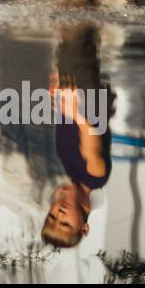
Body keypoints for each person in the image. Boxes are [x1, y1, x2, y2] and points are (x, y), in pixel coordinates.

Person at [40, 22, 114, 248]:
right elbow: (90, 132)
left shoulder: (70, 170)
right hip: (85, 95)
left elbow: (66, 125)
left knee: (71, 32)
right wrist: (75, 108)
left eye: (52, 218)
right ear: (84, 227)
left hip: (74, 93)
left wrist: (58, 100)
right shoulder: (95, 175)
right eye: (65, 224)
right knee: (75, 29)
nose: (59, 214)